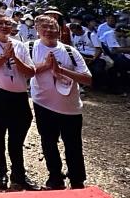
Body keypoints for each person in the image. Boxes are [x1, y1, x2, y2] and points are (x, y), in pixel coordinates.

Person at [0, 12, 38, 191]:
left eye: (8, 23)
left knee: (18, 132)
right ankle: (0, 171)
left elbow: (31, 71)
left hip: (19, 94)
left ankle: (18, 172)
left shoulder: (20, 45)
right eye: (0, 23)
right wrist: (4, 56)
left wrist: (14, 58)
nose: (5, 26)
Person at [31, 16, 92, 190]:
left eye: (53, 27)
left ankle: (77, 179)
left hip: (70, 107)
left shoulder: (70, 51)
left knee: (73, 144)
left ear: (59, 31)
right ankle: (55, 177)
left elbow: (88, 79)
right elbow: (25, 72)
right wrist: (45, 66)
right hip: (43, 104)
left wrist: (62, 70)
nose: (49, 30)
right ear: (37, 29)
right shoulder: (29, 48)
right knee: (48, 142)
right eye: (44, 27)